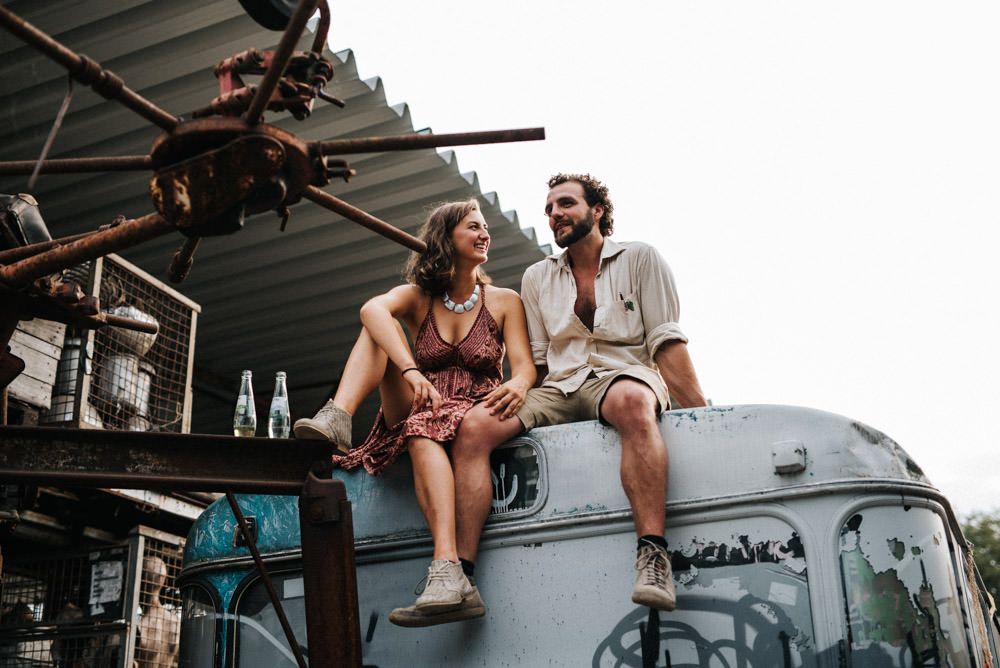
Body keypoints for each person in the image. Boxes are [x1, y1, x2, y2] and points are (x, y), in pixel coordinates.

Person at [449, 173, 707, 613]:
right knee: (474, 425)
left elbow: (666, 345)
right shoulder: (537, 277)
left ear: (598, 211)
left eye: (565, 204)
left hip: (623, 377)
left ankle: (653, 555)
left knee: (631, 401)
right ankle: (460, 579)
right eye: (549, 209)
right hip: (560, 386)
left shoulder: (641, 259)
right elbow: (537, 360)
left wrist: (708, 419)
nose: (555, 215)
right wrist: (518, 387)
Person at [293, 199, 535, 627]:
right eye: (473, 227)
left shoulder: (504, 300)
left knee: (421, 428)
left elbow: (525, 365)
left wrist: (519, 382)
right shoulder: (421, 297)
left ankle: (446, 568)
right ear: (447, 238)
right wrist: (410, 369)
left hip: (473, 406)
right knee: (377, 328)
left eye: (485, 228)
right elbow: (371, 308)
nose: (485, 235)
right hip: (422, 400)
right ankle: (338, 417)